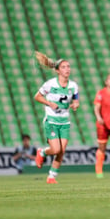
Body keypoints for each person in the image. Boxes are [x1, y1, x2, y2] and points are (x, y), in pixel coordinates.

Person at [34, 51, 79, 184]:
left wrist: (75, 105)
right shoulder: (50, 84)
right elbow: (37, 96)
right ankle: (42, 152)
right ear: (58, 71)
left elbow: (76, 100)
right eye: (64, 67)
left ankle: (51, 176)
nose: (67, 69)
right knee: (56, 149)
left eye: (69, 67)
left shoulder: (73, 86)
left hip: (65, 121)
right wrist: (49, 103)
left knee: (62, 151)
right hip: (52, 120)